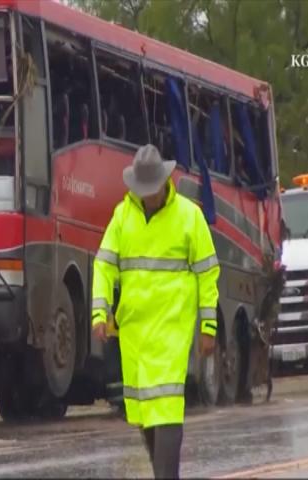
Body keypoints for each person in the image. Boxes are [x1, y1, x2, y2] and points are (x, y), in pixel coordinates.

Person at [91, 144, 220, 479]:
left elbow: (208, 273)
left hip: (171, 330)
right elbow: (104, 266)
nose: (148, 197)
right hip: (134, 332)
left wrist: (208, 327)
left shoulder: (189, 217)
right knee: (144, 412)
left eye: (152, 191)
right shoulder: (123, 216)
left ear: (165, 183)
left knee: (165, 406)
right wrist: (99, 312)